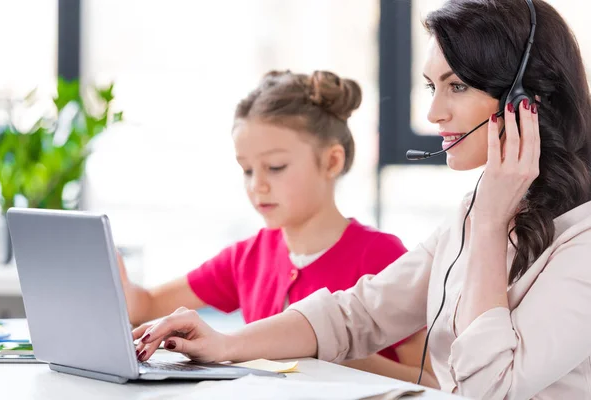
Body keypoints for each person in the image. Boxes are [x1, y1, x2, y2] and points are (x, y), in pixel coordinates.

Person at [131, 0, 591, 398]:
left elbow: (489, 389)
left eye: (457, 86)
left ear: (525, 99)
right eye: (432, 87)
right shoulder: (475, 213)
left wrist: (491, 223)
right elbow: (360, 313)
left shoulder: (574, 240)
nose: (433, 113)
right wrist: (226, 344)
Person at [119, 69, 438, 387]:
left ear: (331, 162)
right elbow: (145, 306)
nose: (257, 185)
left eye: (275, 167)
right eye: (246, 170)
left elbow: (432, 382)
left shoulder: (383, 257)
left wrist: (338, 347)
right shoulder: (247, 256)